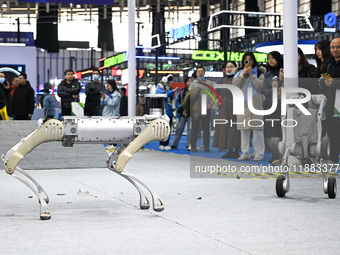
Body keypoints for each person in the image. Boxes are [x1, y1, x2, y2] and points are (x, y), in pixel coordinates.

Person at [232, 52, 266, 161]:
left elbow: (260, 86)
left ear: (253, 61)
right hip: (243, 105)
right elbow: (234, 85)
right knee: (244, 130)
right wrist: (242, 74)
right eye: (246, 60)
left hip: (256, 104)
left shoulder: (260, 72)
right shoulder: (238, 73)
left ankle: (259, 154)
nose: (248, 63)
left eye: (250, 60)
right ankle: (245, 153)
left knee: (257, 130)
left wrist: (251, 75)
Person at [213, 61, 241, 158]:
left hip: (236, 105)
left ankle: (237, 150)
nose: (229, 69)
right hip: (224, 107)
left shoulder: (239, 79)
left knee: (235, 129)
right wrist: (221, 100)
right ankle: (229, 149)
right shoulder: (221, 81)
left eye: (231, 67)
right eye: (227, 67)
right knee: (226, 129)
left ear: (235, 68)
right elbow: (217, 92)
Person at [319, 37, 340, 164]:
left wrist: (334, 83)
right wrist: (324, 83)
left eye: (338, 47)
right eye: (333, 47)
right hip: (331, 103)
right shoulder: (328, 63)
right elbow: (322, 79)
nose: (335, 50)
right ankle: (333, 157)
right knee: (331, 132)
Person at [262, 51, 283, 164]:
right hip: (271, 105)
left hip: (283, 104)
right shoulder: (268, 74)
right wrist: (274, 88)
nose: (271, 60)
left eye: (273, 58)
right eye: (269, 58)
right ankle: (275, 155)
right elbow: (265, 90)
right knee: (272, 131)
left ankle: (282, 155)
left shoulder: (284, 71)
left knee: (282, 130)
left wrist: (279, 81)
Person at [190, 66, 214, 152]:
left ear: (204, 73)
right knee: (195, 128)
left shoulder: (210, 83)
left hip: (206, 107)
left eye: (201, 71)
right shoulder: (193, 84)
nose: (200, 73)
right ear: (196, 73)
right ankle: (193, 146)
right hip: (196, 109)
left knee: (206, 128)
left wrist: (210, 104)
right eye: (198, 72)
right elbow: (190, 96)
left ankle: (206, 146)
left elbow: (213, 95)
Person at [156, 74, 177, 150]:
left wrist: (172, 90)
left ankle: (165, 144)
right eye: (169, 80)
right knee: (163, 128)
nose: (170, 82)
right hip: (163, 110)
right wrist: (171, 91)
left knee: (168, 128)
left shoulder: (169, 88)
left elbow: (170, 98)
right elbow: (161, 95)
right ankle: (162, 144)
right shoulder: (160, 86)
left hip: (169, 110)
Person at [171, 77, 191, 150]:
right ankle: (174, 144)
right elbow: (177, 102)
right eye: (188, 81)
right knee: (179, 129)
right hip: (182, 113)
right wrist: (180, 107)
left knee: (190, 130)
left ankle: (188, 145)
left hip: (191, 113)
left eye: (191, 81)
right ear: (185, 83)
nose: (190, 83)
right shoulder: (181, 92)